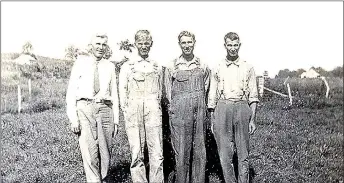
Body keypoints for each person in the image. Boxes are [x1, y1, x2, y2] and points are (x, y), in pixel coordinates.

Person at [66, 33, 120, 183]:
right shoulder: (80, 63)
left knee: (105, 153)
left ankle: (103, 178)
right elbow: (71, 91)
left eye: (104, 44)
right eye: (97, 44)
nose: (101, 47)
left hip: (105, 109)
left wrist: (116, 120)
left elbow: (114, 94)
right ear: (91, 46)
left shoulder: (109, 66)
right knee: (89, 152)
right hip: (85, 108)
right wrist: (73, 119)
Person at [207, 32, 258, 183]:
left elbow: (253, 96)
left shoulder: (248, 68)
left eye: (235, 45)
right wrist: (212, 120)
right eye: (229, 45)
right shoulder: (217, 67)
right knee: (225, 153)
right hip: (223, 108)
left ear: (239, 46)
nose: (233, 48)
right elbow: (212, 96)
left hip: (242, 107)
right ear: (225, 46)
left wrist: (252, 120)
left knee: (243, 154)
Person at [119, 30, 167, 183]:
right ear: (135, 44)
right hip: (134, 109)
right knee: (136, 152)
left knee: (157, 151)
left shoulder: (156, 66)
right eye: (140, 43)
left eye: (147, 43)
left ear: (151, 44)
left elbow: (160, 91)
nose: (144, 46)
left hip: (153, 109)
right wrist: (127, 111)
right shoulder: (128, 66)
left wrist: (155, 106)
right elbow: (123, 92)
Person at [166, 31, 210, 183]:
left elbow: (207, 87)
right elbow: (167, 92)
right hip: (180, 112)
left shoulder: (202, 65)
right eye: (183, 42)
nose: (187, 45)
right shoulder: (172, 65)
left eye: (189, 42)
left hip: (199, 110)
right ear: (179, 44)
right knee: (182, 150)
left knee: (200, 149)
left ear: (194, 43)